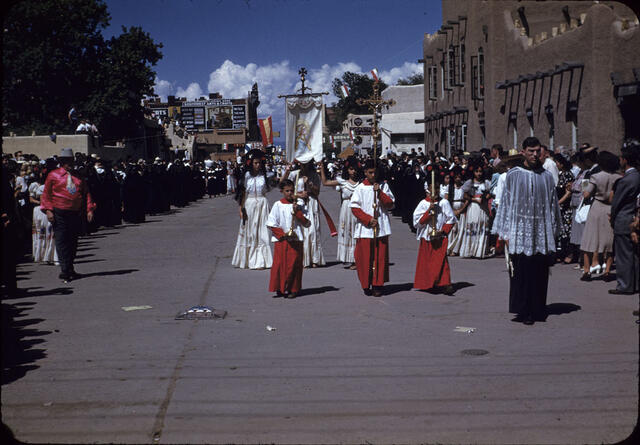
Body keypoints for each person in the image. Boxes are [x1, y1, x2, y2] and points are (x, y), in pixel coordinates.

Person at [492, 137, 561, 325]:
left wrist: (553, 231)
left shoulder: (546, 176)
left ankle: (538, 309)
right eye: (531, 151)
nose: (535, 154)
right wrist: (504, 232)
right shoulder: (513, 175)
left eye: (538, 150)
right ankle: (523, 310)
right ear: (523, 152)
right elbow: (506, 204)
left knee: (539, 272)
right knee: (521, 273)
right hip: (519, 232)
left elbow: (552, 205)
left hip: (540, 233)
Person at [40, 148, 95, 282]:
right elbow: (46, 194)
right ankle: (65, 270)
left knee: (73, 241)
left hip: (75, 212)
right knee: (62, 240)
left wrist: (89, 209)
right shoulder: (53, 175)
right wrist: (48, 210)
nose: (69, 164)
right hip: (59, 211)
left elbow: (86, 193)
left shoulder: (78, 176)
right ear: (62, 162)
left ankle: (70, 267)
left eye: (71, 161)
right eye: (66, 161)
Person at [350, 159, 395, 297]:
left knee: (380, 258)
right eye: (370, 172)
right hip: (365, 229)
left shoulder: (384, 186)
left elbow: (390, 204)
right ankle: (366, 283)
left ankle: (377, 284)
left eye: (375, 172)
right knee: (365, 259)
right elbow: (355, 207)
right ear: (365, 172)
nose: (373, 175)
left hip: (381, 228)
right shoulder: (360, 188)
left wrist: (380, 192)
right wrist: (368, 220)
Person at [579, 151, 621, 281]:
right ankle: (607, 270)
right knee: (609, 241)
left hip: (597, 208)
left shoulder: (596, 176)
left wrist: (583, 184)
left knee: (589, 239)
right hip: (610, 208)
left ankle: (586, 271)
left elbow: (586, 194)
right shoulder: (618, 177)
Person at [266, 179, 310, 298]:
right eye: (287, 191)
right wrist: (282, 234)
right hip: (282, 240)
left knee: (294, 264)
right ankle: (280, 287)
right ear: (282, 191)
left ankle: (293, 288)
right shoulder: (277, 205)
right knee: (280, 265)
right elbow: (271, 223)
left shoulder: (299, 205)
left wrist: (298, 213)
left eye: (292, 190)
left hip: (295, 239)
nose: (290, 193)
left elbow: (307, 223)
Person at [413, 177, 457, 294]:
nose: (435, 191)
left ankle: (445, 283)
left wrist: (442, 231)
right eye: (432, 188)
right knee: (427, 261)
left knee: (441, 260)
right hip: (427, 236)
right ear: (427, 189)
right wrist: (428, 212)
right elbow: (417, 222)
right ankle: (429, 283)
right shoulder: (423, 203)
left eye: (437, 188)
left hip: (439, 236)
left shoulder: (444, 203)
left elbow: (451, 219)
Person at [232, 149, 273, 270]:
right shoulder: (246, 176)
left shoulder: (264, 176)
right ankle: (247, 259)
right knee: (250, 232)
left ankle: (261, 260)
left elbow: (274, 186)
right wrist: (241, 208)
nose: (258, 165)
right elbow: (243, 193)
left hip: (262, 204)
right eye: (255, 163)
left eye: (259, 163)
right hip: (249, 205)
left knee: (262, 232)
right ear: (250, 163)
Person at [609, 143, 640, 295]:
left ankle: (624, 285)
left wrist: (612, 218)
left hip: (624, 219)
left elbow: (616, 203)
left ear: (625, 160)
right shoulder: (637, 177)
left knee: (623, 255)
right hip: (634, 218)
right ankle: (634, 284)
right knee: (633, 255)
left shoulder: (626, 180)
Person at [320, 156, 361, 268]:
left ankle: (357, 259)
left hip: (357, 209)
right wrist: (322, 168)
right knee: (347, 231)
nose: (353, 171)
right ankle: (349, 258)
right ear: (347, 170)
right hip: (346, 209)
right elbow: (325, 182)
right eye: (351, 169)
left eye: (355, 169)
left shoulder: (361, 183)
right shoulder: (342, 182)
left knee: (356, 232)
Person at [283, 160, 325, 267]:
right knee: (302, 231)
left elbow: (317, 192)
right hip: (300, 203)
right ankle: (302, 259)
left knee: (312, 230)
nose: (304, 166)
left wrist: (309, 184)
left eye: (307, 163)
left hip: (311, 203)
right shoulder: (295, 174)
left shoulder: (314, 175)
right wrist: (298, 195)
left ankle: (314, 259)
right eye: (303, 163)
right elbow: (286, 189)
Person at [458, 162, 491, 258]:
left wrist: (486, 197)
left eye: (480, 171)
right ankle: (470, 250)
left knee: (482, 226)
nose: (479, 174)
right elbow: (464, 195)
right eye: (477, 171)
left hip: (483, 207)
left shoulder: (486, 182)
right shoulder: (469, 182)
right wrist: (474, 199)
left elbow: (490, 193)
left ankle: (480, 251)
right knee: (473, 226)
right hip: (473, 207)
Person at [553, 151, 576, 264]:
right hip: (561, 207)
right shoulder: (561, 174)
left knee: (567, 232)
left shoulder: (567, 174)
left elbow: (568, 192)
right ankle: (562, 253)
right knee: (562, 232)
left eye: (557, 162)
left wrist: (558, 202)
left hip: (566, 207)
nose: (556, 164)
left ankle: (570, 254)